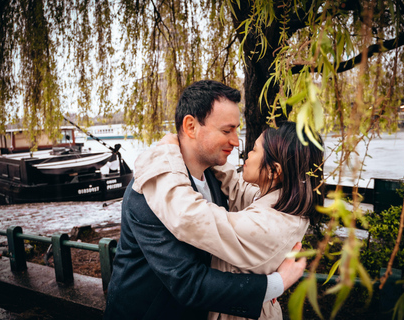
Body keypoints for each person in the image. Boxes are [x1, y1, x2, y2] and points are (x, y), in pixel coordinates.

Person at [104, 80, 307, 320]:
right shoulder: (150, 191)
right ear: (191, 126)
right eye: (226, 130)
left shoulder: (217, 181)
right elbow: (189, 282)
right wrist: (275, 284)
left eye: (236, 130)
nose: (236, 141)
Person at [132, 121, 324, 319]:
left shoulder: (269, 225)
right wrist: (205, 150)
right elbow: (237, 187)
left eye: (254, 150)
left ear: (274, 171)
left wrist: (168, 155)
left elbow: (189, 216)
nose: (245, 152)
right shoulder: (282, 203)